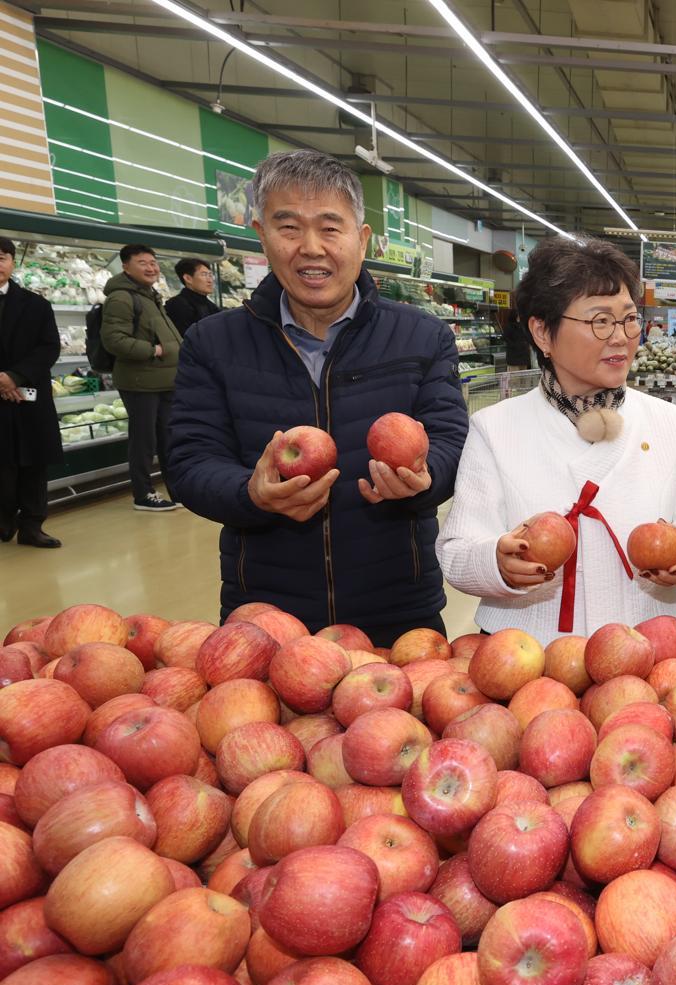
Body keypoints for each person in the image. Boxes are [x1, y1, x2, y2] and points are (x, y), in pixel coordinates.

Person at [167, 150, 468, 646]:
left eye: (331, 228)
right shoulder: (212, 343)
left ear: (361, 239)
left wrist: (424, 475)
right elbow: (189, 462)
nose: (311, 248)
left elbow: (452, 439)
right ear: (262, 235)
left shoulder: (421, 337)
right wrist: (252, 494)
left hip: (397, 611)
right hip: (267, 617)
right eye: (288, 228)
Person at [438, 237, 676, 641]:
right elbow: (456, 550)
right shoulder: (496, 427)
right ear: (542, 332)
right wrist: (497, 562)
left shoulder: (668, 423)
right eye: (600, 321)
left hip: (645, 648)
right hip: (528, 656)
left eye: (629, 319)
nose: (621, 337)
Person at [101, 243, 183, 513]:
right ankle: (143, 493)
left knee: (168, 439)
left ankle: (178, 488)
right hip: (140, 381)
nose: (151, 268)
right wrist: (152, 350)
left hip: (164, 381)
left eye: (153, 262)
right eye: (142, 262)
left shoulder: (149, 295)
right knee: (144, 440)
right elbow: (113, 340)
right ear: (125, 266)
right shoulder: (122, 298)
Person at [0, 236, 64, 548]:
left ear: (12, 262)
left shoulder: (36, 304)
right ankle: (3, 521)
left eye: (2, 257)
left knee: (34, 463)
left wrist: (14, 376)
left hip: (30, 395)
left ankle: (33, 526)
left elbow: (49, 346)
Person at [165, 259, 220, 338]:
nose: (210, 280)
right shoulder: (178, 304)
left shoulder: (210, 305)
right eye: (204, 274)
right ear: (188, 278)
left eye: (210, 275)